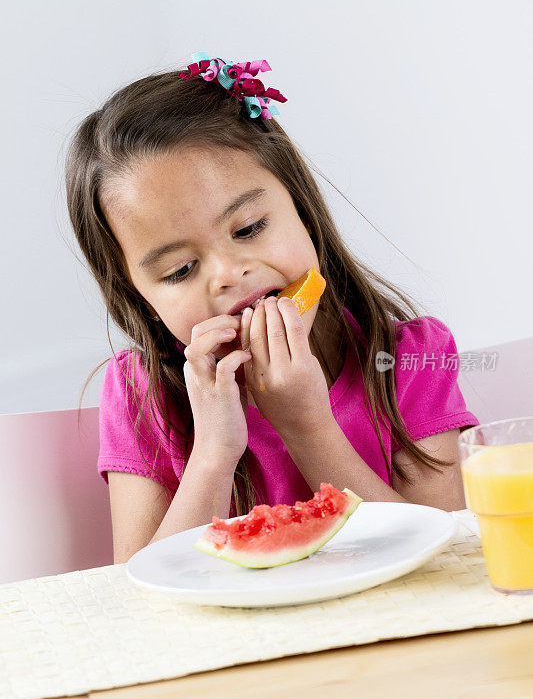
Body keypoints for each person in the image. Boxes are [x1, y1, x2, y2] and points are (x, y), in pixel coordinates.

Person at [65, 51, 479, 564]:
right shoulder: (139, 391)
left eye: (248, 229)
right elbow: (140, 591)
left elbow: (444, 559)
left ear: (302, 210)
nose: (227, 273)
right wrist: (214, 453)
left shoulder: (416, 356)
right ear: (141, 300)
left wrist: (307, 426)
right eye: (178, 271)